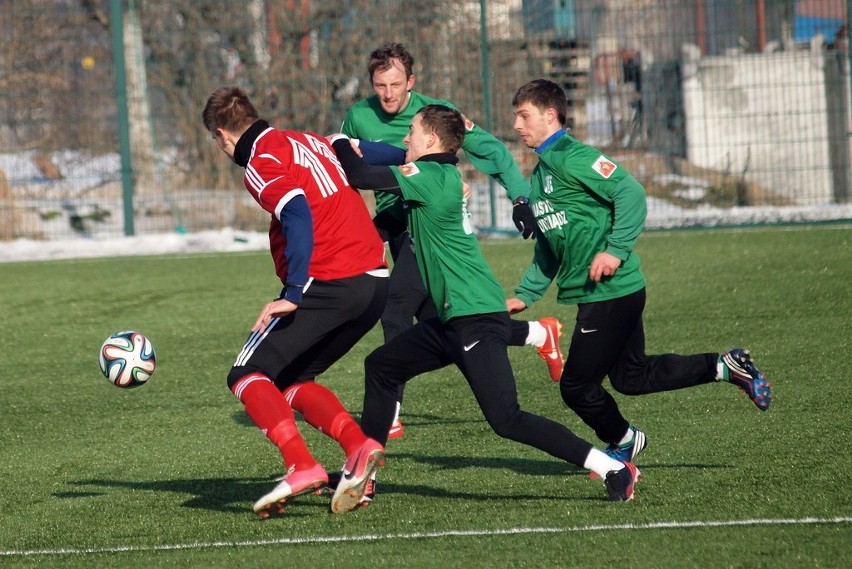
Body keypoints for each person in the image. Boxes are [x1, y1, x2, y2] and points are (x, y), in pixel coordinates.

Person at [329, 104, 641, 502]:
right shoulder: (437, 173)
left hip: (474, 315)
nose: (404, 138)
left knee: (507, 420)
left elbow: (358, 175)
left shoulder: (429, 176)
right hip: (453, 319)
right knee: (382, 366)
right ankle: (363, 473)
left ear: (431, 140)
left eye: (412, 132)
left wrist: (336, 141)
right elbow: (390, 167)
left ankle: (614, 468)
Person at [505, 79, 774, 466]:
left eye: (523, 115)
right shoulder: (542, 172)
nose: (517, 124)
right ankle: (724, 366)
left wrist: (614, 251)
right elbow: (550, 243)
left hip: (611, 292)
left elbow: (630, 192)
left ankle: (624, 440)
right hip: (603, 293)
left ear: (550, 116)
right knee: (631, 377)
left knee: (577, 388)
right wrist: (526, 293)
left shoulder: (573, 155)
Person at [342, 42, 562, 438]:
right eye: (379, 86)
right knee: (436, 319)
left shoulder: (438, 116)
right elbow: (349, 170)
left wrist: (520, 195)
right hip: (396, 221)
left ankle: (388, 410)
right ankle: (535, 333)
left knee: (394, 308)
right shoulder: (358, 115)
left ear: (411, 81)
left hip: (428, 220)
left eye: (395, 84)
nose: (388, 94)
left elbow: (491, 150)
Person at [202, 86, 387, 517]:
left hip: (332, 280)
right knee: (290, 380)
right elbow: (360, 150)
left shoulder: (260, 162)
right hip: (374, 280)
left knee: (246, 373)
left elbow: (297, 210)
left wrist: (292, 292)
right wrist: (425, 163)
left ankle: (301, 465)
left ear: (223, 136)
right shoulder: (309, 139)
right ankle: (359, 447)